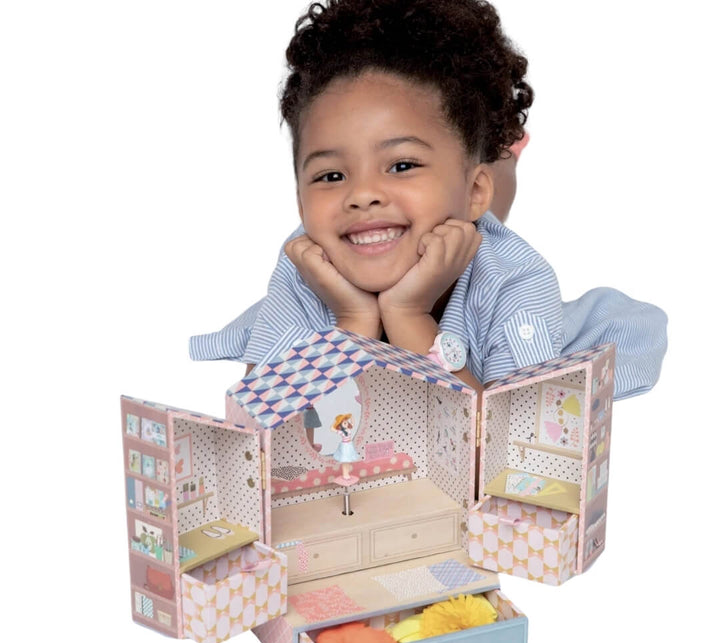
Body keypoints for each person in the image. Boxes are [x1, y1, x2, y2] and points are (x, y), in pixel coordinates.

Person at [190, 0, 666, 399]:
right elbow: (259, 433)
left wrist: (409, 316)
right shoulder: (304, 267)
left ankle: (498, 162)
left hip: (475, 255)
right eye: (331, 175)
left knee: (477, 220)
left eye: (401, 164)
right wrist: (353, 320)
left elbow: (508, 453)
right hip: (413, 226)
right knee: (429, 208)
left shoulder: (516, 281)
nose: (362, 195)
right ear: (298, 200)